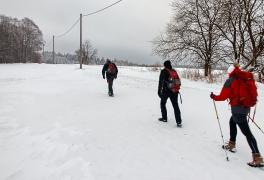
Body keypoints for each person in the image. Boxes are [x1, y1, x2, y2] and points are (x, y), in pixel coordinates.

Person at [210, 63, 263, 167]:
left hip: (238, 110)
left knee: (247, 133)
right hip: (245, 107)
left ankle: (257, 157)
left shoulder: (230, 81)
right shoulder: (244, 78)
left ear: (230, 72)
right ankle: (231, 144)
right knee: (232, 121)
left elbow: (222, 96)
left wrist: (214, 97)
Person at [158, 60, 182, 127]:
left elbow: (160, 82)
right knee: (175, 106)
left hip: (166, 91)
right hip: (175, 91)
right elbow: (177, 81)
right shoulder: (174, 71)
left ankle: (164, 118)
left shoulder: (163, 71)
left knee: (162, 103)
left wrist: (159, 92)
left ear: (165, 65)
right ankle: (179, 121)